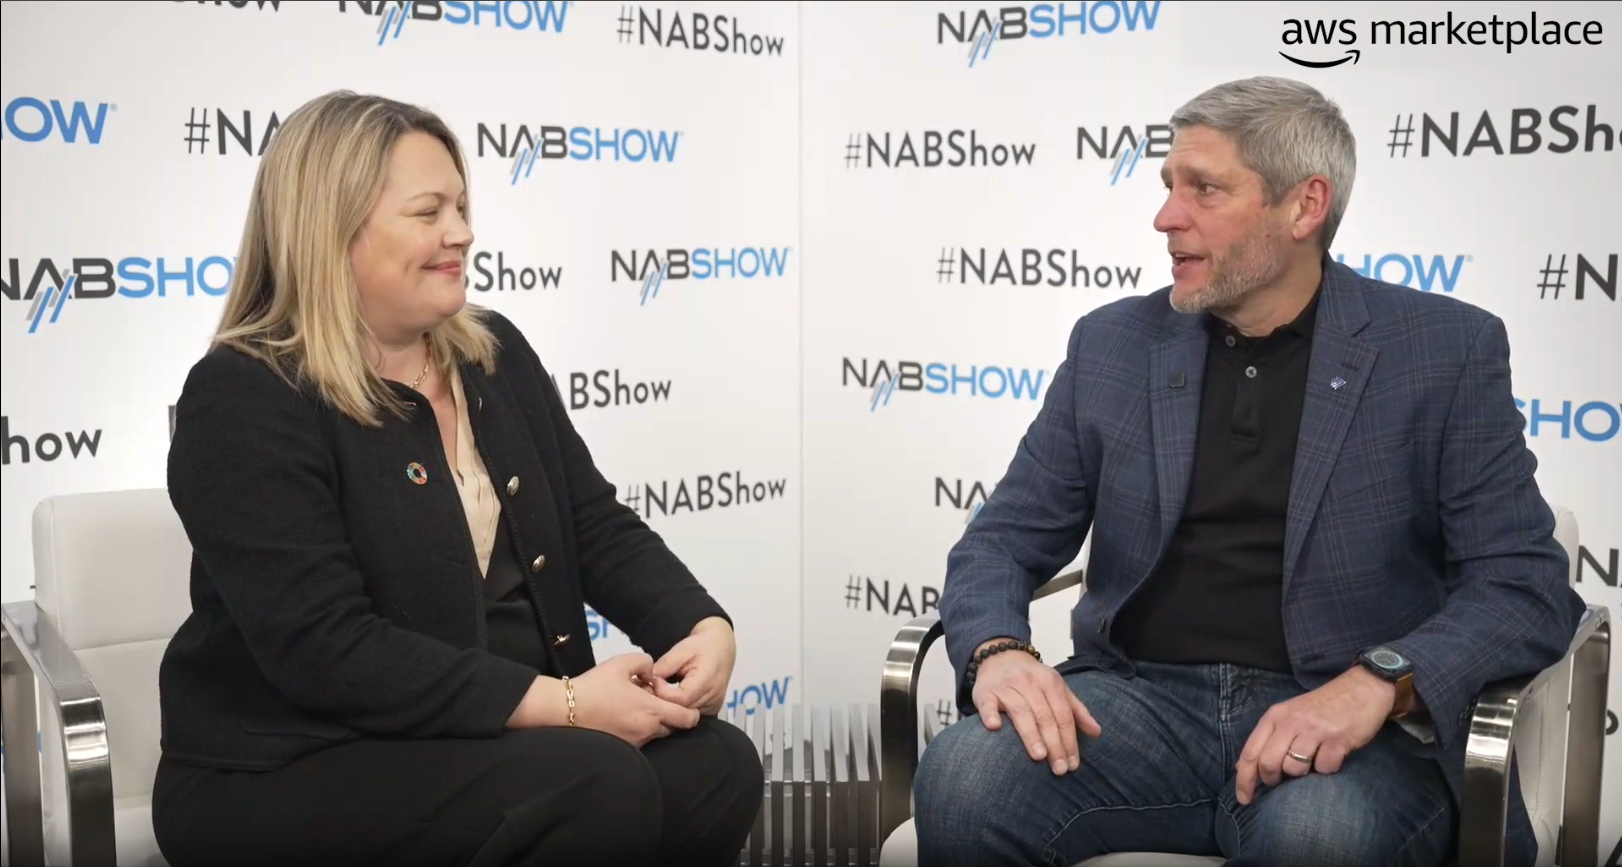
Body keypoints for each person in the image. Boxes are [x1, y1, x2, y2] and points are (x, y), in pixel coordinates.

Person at [912, 76, 1586, 867]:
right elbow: (1001, 541)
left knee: (1317, 839)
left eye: (1204, 189)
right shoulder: (1114, 345)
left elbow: (1523, 583)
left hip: (1342, 722)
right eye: (1169, 186)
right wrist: (998, 647)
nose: (1165, 217)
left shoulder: (1442, 349)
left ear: (1304, 207)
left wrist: (1380, 681)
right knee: (963, 777)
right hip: (1137, 705)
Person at [154, 90, 763, 867]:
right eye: (428, 211)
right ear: (329, 227)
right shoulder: (246, 393)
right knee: (597, 783)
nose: (462, 232)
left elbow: (592, 521)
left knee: (716, 767)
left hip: (479, 737)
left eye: (463, 205)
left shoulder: (492, 353)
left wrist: (702, 627)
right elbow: (325, 648)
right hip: (288, 763)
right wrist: (568, 704)